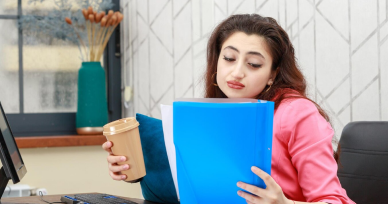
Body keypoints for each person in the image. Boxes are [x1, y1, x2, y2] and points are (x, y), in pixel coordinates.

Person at [103, 14, 355, 204]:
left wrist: (284, 203)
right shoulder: (210, 111)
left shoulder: (298, 114)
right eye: (229, 58)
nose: (236, 72)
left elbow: (334, 200)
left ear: (272, 75)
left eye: (254, 64)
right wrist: (133, 169)